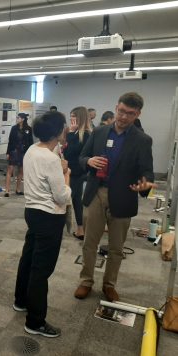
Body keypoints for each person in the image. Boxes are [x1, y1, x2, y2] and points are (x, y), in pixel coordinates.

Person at [74, 92, 155, 302]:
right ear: (116, 107)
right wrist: (89, 161)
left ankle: (109, 285)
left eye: (130, 113)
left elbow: (147, 172)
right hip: (96, 193)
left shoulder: (143, 140)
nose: (124, 117)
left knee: (116, 247)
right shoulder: (99, 132)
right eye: (121, 111)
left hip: (124, 196)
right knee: (89, 243)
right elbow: (82, 157)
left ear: (138, 114)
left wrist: (145, 184)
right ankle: (86, 281)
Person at [13, 111, 71, 338]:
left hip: (33, 212)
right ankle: (35, 322)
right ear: (58, 131)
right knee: (41, 269)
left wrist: (60, 163)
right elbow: (61, 196)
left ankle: (21, 300)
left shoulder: (32, 150)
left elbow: (48, 164)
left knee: (29, 257)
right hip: (49, 216)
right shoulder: (50, 159)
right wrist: (66, 174)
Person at [63, 107, 92, 240]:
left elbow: (69, 153)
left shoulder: (85, 134)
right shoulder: (78, 133)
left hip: (75, 173)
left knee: (66, 201)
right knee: (76, 201)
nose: (71, 119)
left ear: (80, 118)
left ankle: (60, 227)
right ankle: (80, 229)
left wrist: (70, 134)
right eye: (70, 116)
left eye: (73, 116)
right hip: (74, 172)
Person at [4, 113, 34, 197]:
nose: (17, 119)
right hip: (14, 151)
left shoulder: (28, 129)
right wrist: (8, 152)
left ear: (23, 119)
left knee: (21, 171)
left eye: (18, 118)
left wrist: (30, 153)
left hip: (23, 152)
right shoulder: (14, 128)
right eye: (17, 117)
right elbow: (10, 141)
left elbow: (31, 142)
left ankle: (18, 189)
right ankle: (7, 190)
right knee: (10, 170)